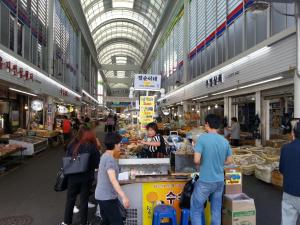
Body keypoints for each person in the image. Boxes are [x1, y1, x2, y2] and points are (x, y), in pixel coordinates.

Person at [191, 114, 233, 225]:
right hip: (219, 181)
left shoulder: (202, 138)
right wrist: (218, 162)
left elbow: (196, 160)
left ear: (207, 124)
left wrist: (204, 161)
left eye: (205, 123)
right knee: (216, 210)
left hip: (205, 181)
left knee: (196, 209)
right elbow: (229, 161)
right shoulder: (224, 141)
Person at [61, 126, 100, 225]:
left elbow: (67, 159)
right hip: (86, 178)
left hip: (72, 177)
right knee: (83, 201)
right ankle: (83, 222)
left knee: (70, 200)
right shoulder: (91, 146)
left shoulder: (71, 144)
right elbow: (96, 163)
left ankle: (66, 222)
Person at [95, 132, 130, 225]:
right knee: (117, 222)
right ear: (115, 145)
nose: (120, 145)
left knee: (106, 221)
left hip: (102, 195)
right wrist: (124, 196)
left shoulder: (105, 155)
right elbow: (113, 180)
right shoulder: (109, 159)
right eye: (119, 143)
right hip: (106, 197)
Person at [280, 121, 300, 225]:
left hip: (289, 192)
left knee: (287, 222)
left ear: (293, 133)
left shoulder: (285, 148)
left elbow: (282, 169)